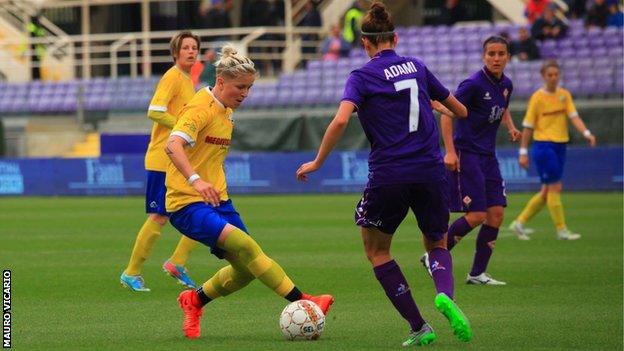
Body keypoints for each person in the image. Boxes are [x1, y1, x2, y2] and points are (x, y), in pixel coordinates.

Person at [296, 2, 472, 347]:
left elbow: (342, 119)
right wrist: (436, 104)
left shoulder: (361, 76)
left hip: (390, 172)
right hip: (430, 170)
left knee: (377, 250)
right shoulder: (418, 67)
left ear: (365, 42)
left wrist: (317, 162)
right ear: (395, 37)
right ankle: (445, 293)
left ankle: (419, 326)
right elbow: (461, 110)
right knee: (436, 241)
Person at [165, 45, 334, 339]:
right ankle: (305, 300)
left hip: (218, 200)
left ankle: (194, 301)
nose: (244, 93)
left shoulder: (227, 111)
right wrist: (196, 180)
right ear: (220, 82)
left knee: (245, 270)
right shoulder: (199, 108)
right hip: (186, 204)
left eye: (249, 87)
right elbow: (172, 145)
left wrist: (211, 182)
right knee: (248, 247)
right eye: (239, 87)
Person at [424, 36, 521, 287]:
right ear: (484, 56)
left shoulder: (506, 84)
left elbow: (503, 106)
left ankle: (477, 273)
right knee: (477, 214)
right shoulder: (473, 84)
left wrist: (510, 126)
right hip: (468, 154)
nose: (496, 58)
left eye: (501, 53)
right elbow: (448, 114)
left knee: (496, 214)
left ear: (508, 56)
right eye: (491, 54)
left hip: (488, 156)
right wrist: (450, 151)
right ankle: (432, 255)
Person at [120, 31, 201, 292]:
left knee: (202, 205)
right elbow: (154, 110)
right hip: (161, 158)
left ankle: (177, 262)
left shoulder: (188, 80)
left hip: (176, 157)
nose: (191, 51)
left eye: (194, 47)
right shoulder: (172, 77)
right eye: (186, 47)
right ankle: (131, 272)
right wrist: (182, 127)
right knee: (159, 216)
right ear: (175, 53)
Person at [509, 60, 596, 240]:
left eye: (556, 74)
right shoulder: (537, 98)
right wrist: (523, 152)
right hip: (543, 146)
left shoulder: (564, 95)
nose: (553, 78)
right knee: (555, 186)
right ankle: (561, 229)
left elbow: (574, 117)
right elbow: (528, 127)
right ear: (543, 76)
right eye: (550, 75)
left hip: (560, 145)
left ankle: (519, 223)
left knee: (546, 191)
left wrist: (587, 133)